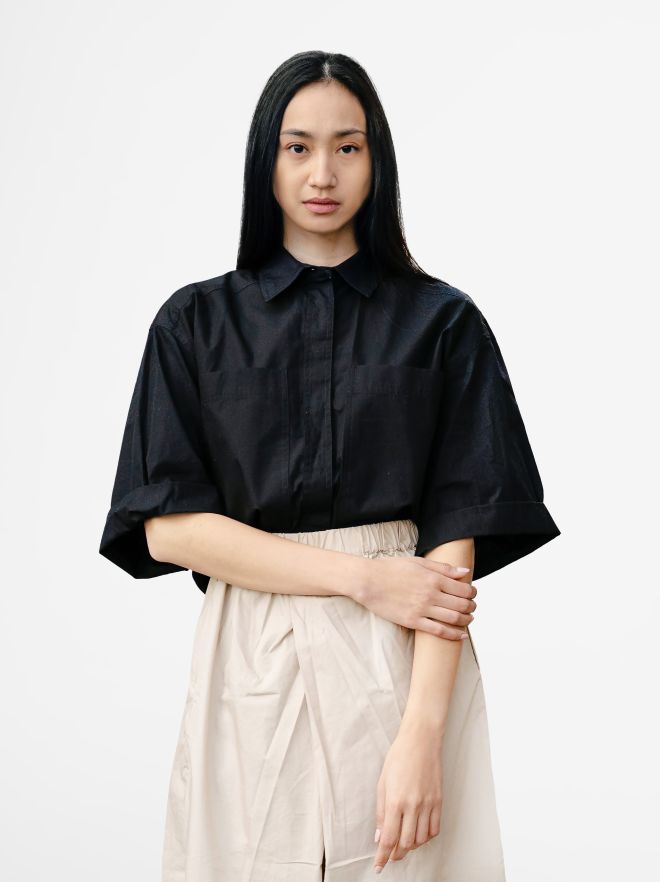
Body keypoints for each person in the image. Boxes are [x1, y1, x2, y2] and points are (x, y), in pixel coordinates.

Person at [99, 51, 560, 881]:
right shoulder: (195, 323)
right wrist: (364, 579)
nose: (323, 173)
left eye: (348, 147)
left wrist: (422, 734)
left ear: (377, 160)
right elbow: (169, 529)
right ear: (265, 160)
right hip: (252, 645)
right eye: (298, 147)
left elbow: (454, 541)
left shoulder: (443, 324)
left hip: (405, 651)